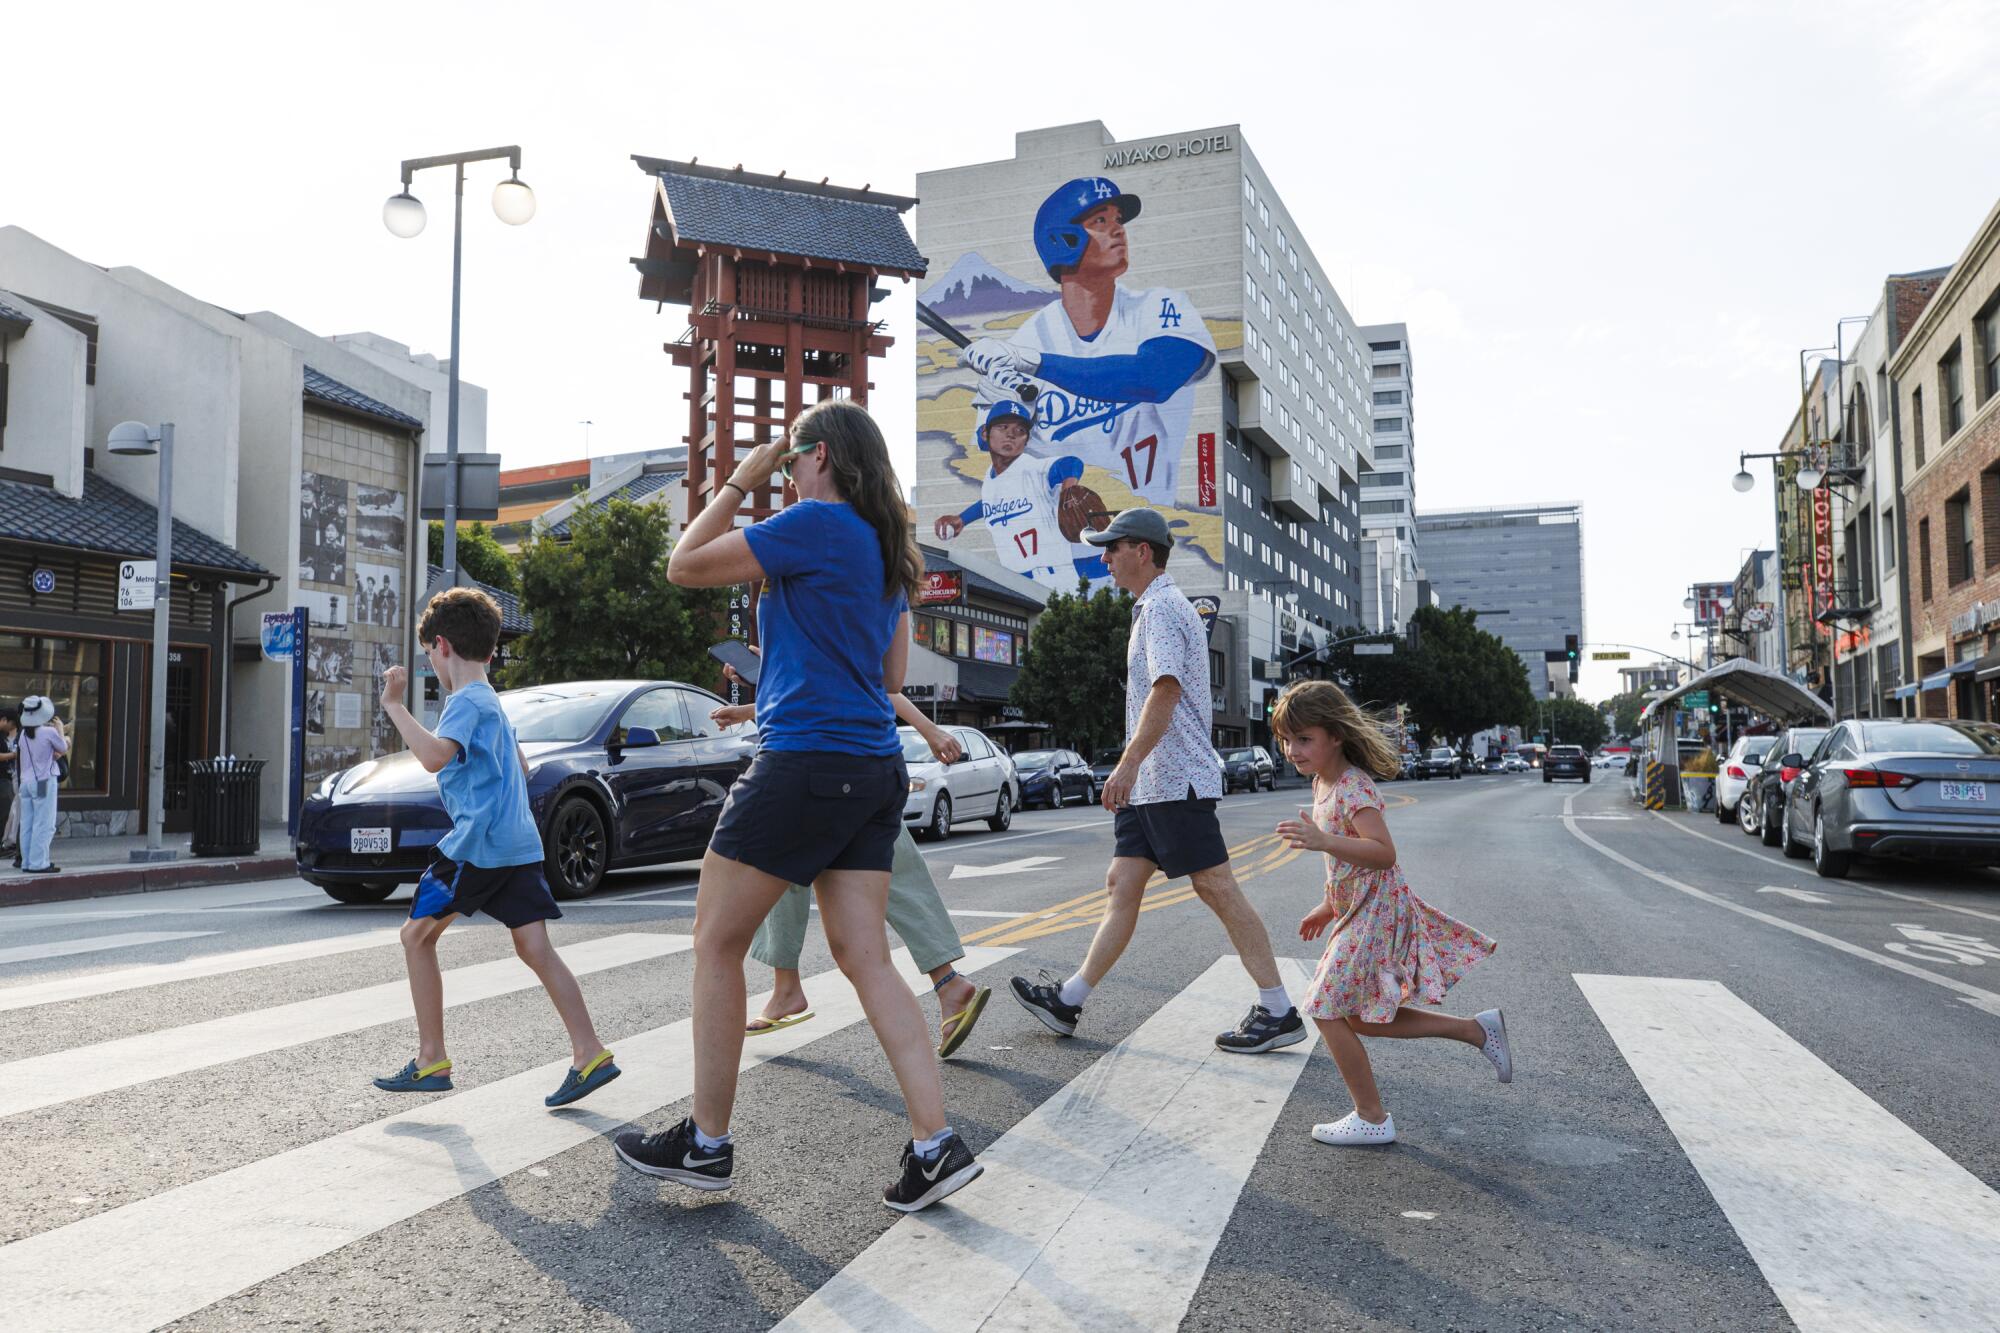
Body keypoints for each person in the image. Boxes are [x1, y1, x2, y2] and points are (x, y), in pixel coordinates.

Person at [616, 399, 983, 1214]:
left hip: (804, 765)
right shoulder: (890, 552)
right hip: (872, 769)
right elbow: (881, 681)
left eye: (791, 461)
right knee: (866, 956)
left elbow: (684, 563)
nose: (785, 474)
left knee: (715, 942)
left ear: (819, 457)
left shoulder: (816, 521)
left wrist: (740, 480)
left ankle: (707, 1144)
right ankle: (936, 1143)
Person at [1009, 507, 1306, 1054]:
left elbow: (1165, 692)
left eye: (1112, 548)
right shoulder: (1150, 609)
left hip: (1174, 780)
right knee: (1122, 885)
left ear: (1141, 552)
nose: (1104, 559)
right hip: (1152, 785)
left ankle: (1278, 1008)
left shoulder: (1165, 609)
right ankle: (1069, 1000)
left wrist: (1124, 765)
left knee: (1216, 887)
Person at [373, 587, 621, 1109]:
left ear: (441, 646)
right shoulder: (494, 705)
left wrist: (394, 706)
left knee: (415, 938)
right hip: (518, 844)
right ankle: (590, 1051)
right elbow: (522, 766)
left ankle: (430, 1059)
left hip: (476, 847)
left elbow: (435, 757)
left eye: (429, 657)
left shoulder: (467, 703)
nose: (431, 667)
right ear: (488, 649)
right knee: (535, 949)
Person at [1270, 680, 1511, 1147]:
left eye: (1303, 739)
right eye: (1286, 740)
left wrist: (1322, 840)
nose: (1291, 750)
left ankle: (1372, 1117)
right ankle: (1476, 1031)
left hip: (1378, 913)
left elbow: (1382, 853)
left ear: (1335, 736)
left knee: (1323, 1007)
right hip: (1358, 909)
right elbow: (1345, 864)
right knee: (1358, 1017)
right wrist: (1328, 903)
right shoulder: (1323, 783)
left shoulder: (1353, 787)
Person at [707, 662, 991, 1058]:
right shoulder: (857, 605)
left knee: (778, 860)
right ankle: (948, 984)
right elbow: (841, 685)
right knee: (899, 872)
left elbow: (840, 686)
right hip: (870, 764)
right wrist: (753, 701)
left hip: (816, 761)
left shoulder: (805, 608)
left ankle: (787, 986)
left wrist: (768, 666)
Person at [958, 176, 1216, 505]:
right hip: (1055, 538)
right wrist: (999, 415)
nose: (1118, 229)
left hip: (1141, 534)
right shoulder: (1025, 339)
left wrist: (1034, 363)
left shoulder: (1161, 306)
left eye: (1118, 220)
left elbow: (1155, 378)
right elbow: (992, 451)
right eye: (1100, 221)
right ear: (1063, 240)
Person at [933, 400, 1107, 593]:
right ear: (985, 433)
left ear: (1026, 440)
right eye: (1003, 426)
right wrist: (962, 519)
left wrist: (1068, 488)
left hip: (1054, 579)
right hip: (1015, 584)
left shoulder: (1031, 469)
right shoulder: (991, 479)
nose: (1011, 434)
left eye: (1020, 431)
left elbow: (1071, 463)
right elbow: (989, 503)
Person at [14, 696, 69, 874]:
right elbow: (62, 748)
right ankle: (39, 863)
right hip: (43, 782)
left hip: (26, 783)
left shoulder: (22, 734)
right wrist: (60, 729)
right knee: (44, 823)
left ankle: (27, 862)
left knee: (27, 823)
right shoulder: (48, 732)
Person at [1, 707, 20, 867]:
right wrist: (15, 755)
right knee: (7, 812)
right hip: (6, 779)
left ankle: (8, 843)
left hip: (10, 778)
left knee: (10, 812)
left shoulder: (17, 736)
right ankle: (6, 843)